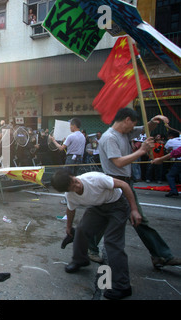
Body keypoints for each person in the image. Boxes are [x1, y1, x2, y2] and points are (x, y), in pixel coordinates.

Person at [98, 108, 181, 268]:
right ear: (127, 120)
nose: (133, 128)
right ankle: (162, 255)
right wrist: (142, 150)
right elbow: (118, 162)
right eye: (133, 124)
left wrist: (154, 120)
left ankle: (160, 255)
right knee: (134, 219)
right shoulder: (109, 138)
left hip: (125, 183)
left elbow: (144, 128)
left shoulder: (125, 133)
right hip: (116, 183)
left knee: (103, 218)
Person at [51, 169, 141, 300]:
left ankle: (123, 286)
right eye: (73, 187)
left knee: (112, 243)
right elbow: (70, 209)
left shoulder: (94, 179)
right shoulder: (70, 195)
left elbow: (124, 185)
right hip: (98, 207)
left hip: (118, 205)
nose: (77, 186)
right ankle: (80, 260)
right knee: (81, 230)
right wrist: (69, 227)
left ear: (73, 176)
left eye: (75, 181)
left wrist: (134, 209)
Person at [161, 130, 181, 197]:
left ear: (171, 136)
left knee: (170, 175)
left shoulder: (170, 141)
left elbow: (166, 149)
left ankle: (173, 191)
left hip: (179, 160)